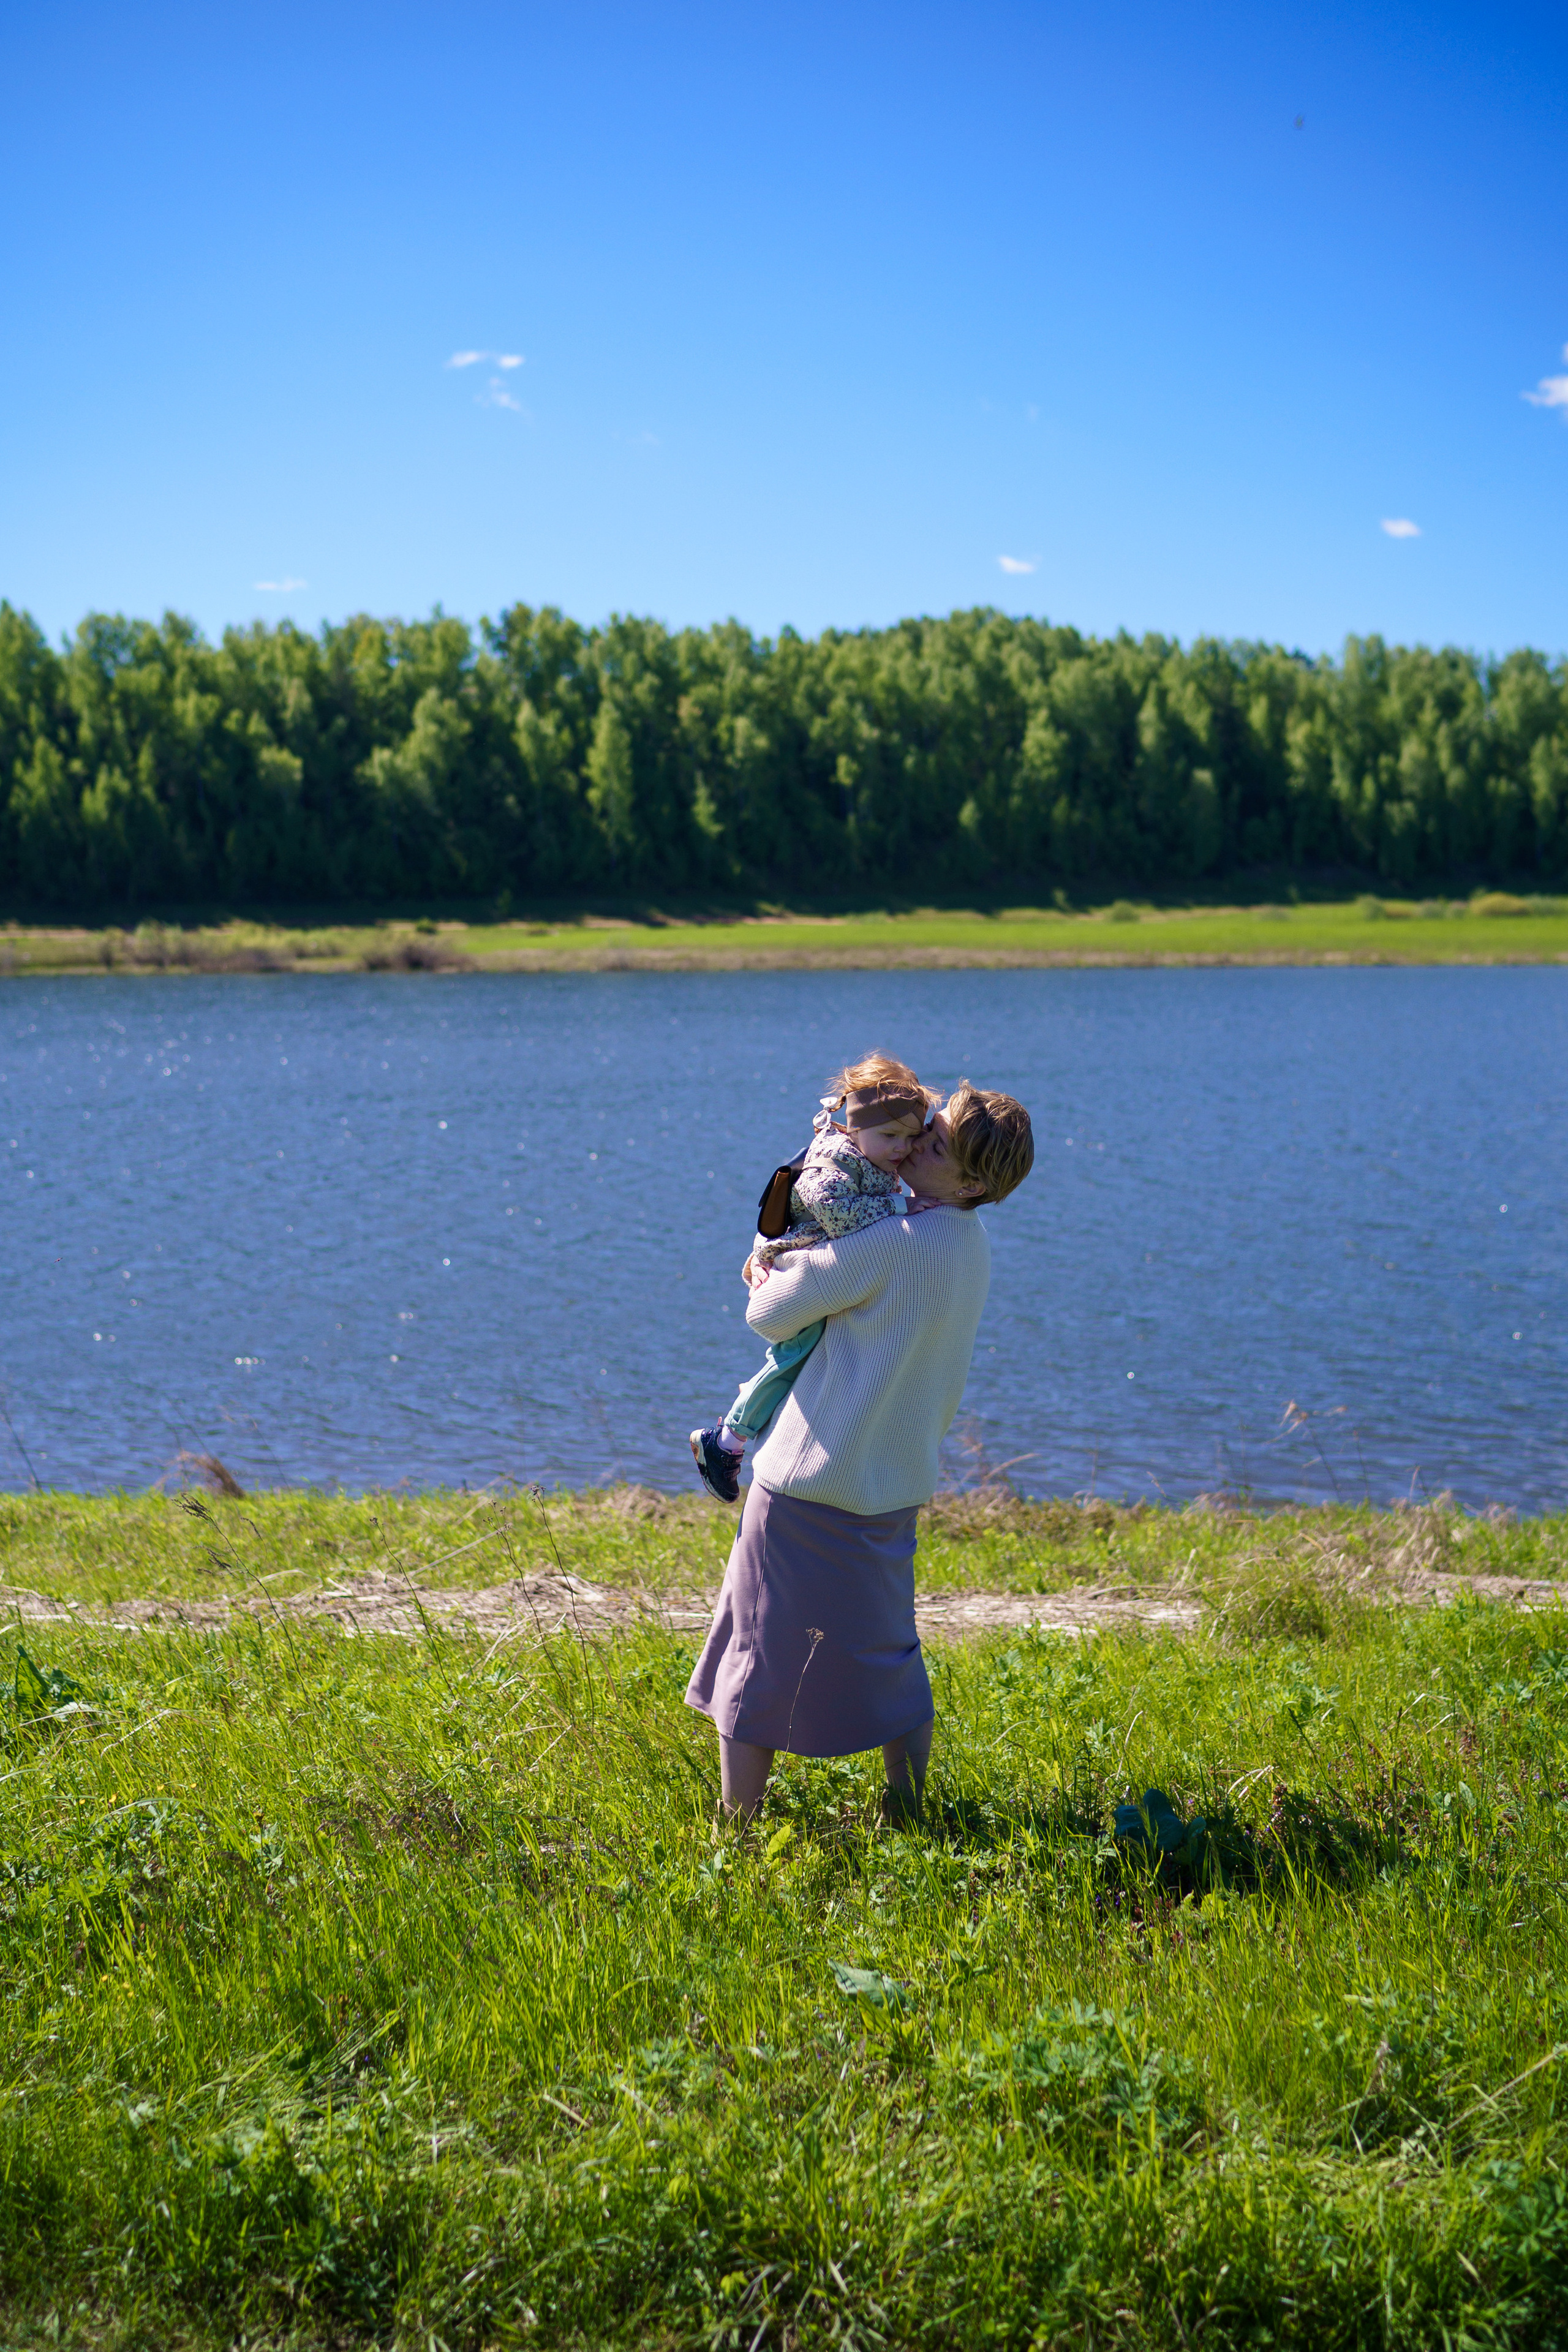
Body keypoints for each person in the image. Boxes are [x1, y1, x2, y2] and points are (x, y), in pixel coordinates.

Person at [684, 1080, 1036, 1822]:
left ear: (970, 1182)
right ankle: (906, 1809)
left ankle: (736, 1834)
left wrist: (768, 1256)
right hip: (893, 1483)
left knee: (758, 1655)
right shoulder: (969, 1247)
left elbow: (767, 1316)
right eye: (923, 1128)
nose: (911, 1143)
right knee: (887, 1654)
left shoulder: (891, 1245)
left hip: (809, 1483)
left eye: (933, 1144)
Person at [688, 1052, 933, 1506]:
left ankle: (756, 1425)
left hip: (814, 1260)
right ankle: (727, 1439)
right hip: (794, 1257)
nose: (902, 1148)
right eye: (890, 1136)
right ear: (854, 1127)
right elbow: (837, 1216)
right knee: (795, 1352)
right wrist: (903, 1207)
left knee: (805, 1356)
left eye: (911, 1137)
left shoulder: (867, 1153)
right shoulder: (832, 1159)